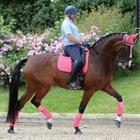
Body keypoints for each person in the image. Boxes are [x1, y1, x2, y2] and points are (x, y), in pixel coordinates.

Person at [61, 5, 88, 89]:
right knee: (78, 60)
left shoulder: (72, 23)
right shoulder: (66, 24)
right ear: (69, 14)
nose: (76, 15)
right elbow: (69, 37)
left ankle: (82, 77)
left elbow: (75, 35)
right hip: (70, 47)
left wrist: (82, 42)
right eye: (74, 14)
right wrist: (80, 42)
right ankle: (72, 82)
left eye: (76, 14)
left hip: (76, 45)